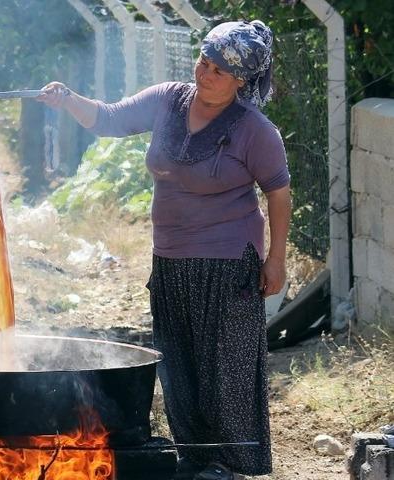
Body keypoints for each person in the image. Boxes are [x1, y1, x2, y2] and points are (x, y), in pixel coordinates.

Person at [38, 20, 290, 480]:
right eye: (204, 60)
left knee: (224, 366)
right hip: (170, 259)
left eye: (218, 69)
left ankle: (227, 464)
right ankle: (194, 456)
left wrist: (276, 259)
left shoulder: (255, 131)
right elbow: (110, 118)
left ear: (240, 81)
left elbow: (278, 191)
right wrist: (68, 99)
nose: (204, 72)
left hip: (228, 265)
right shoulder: (169, 100)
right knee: (178, 362)